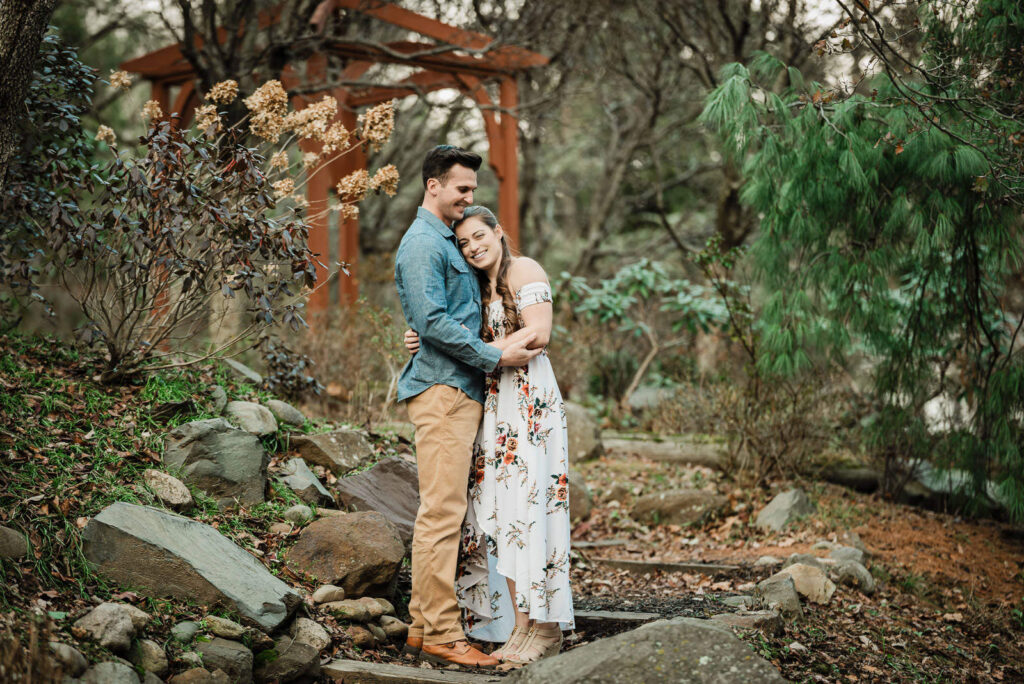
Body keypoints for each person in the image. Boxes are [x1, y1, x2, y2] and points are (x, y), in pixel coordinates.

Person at [404, 205, 574, 668]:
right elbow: (444, 326)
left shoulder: (525, 270)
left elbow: (538, 335)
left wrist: (464, 350)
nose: (474, 246)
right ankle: (520, 626)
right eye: (464, 243)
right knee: (504, 516)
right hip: (496, 407)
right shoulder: (479, 288)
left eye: (480, 235)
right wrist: (425, 339)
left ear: (499, 232)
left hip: (531, 406)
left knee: (534, 510)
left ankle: (547, 628)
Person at [394, 146, 542, 669]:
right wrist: (493, 356)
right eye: (461, 188)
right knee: (442, 515)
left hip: (459, 390)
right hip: (443, 392)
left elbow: (438, 317)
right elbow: (432, 321)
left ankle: (421, 626)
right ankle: (439, 632)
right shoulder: (421, 244)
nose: (468, 198)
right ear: (433, 184)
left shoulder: (446, 242)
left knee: (445, 512)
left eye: (473, 191)